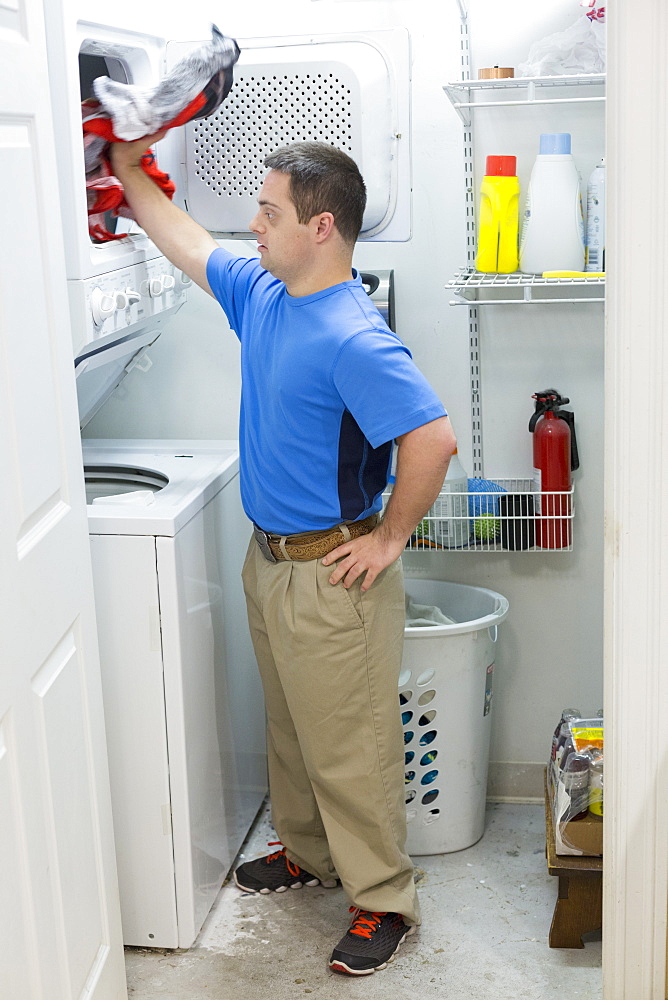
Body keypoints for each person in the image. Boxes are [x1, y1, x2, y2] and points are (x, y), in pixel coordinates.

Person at [110, 134, 456, 976]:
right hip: (269, 563)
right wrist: (124, 170)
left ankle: (383, 901)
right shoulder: (265, 294)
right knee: (295, 732)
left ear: (323, 227)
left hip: (333, 575)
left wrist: (388, 538)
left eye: (269, 214)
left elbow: (433, 438)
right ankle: (307, 853)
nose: (253, 229)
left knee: (353, 747)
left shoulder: (351, 335)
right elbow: (189, 242)